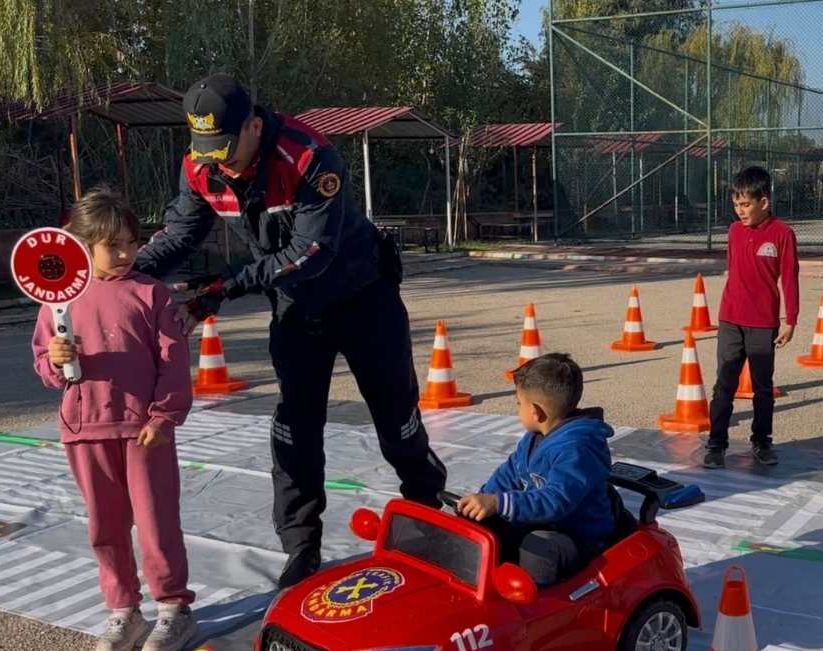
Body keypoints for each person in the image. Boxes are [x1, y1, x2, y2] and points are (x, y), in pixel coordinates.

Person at [132, 75, 447, 589]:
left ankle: (426, 510)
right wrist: (125, 277)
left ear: (255, 125)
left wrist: (221, 291)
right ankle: (301, 544)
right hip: (296, 310)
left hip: (362, 296)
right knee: (296, 428)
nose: (218, 162)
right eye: (206, 150)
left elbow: (308, 255)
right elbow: (180, 234)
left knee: (396, 416)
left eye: (226, 148)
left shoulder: (310, 156)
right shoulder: (201, 166)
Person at [31, 188, 197, 651]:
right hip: (85, 429)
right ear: (81, 246)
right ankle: (124, 608)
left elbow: (172, 359)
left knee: (156, 522)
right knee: (104, 526)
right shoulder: (58, 301)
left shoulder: (151, 293)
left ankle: (173, 608)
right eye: (112, 245)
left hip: (144, 431)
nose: (125, 254)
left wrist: (165, 415)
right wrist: (56, 360)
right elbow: (45, 364)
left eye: (130, 242)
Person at [456, 354, 615, 586]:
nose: (517, 408)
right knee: (478, 528)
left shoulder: (578, 449)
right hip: (543, 521)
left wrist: (500, 503)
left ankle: (534, 611)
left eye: (519, 404)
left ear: (536, 412)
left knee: (537, 549)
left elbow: (556, 501)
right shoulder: (534, 437)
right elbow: (509, 473)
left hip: (578, 535)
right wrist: (484, 502)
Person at [702, 166, 799, 470]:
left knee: (762, 386)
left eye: (746, 205)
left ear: (764, 202)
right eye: (736, 205)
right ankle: (716, 443)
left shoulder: (782, 234)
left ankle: (762, 441)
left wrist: (791, 319)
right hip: (731, 319)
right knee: (724, 384)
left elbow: (790, 278)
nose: (740, 211)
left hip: (763, 323)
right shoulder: (733, 231)